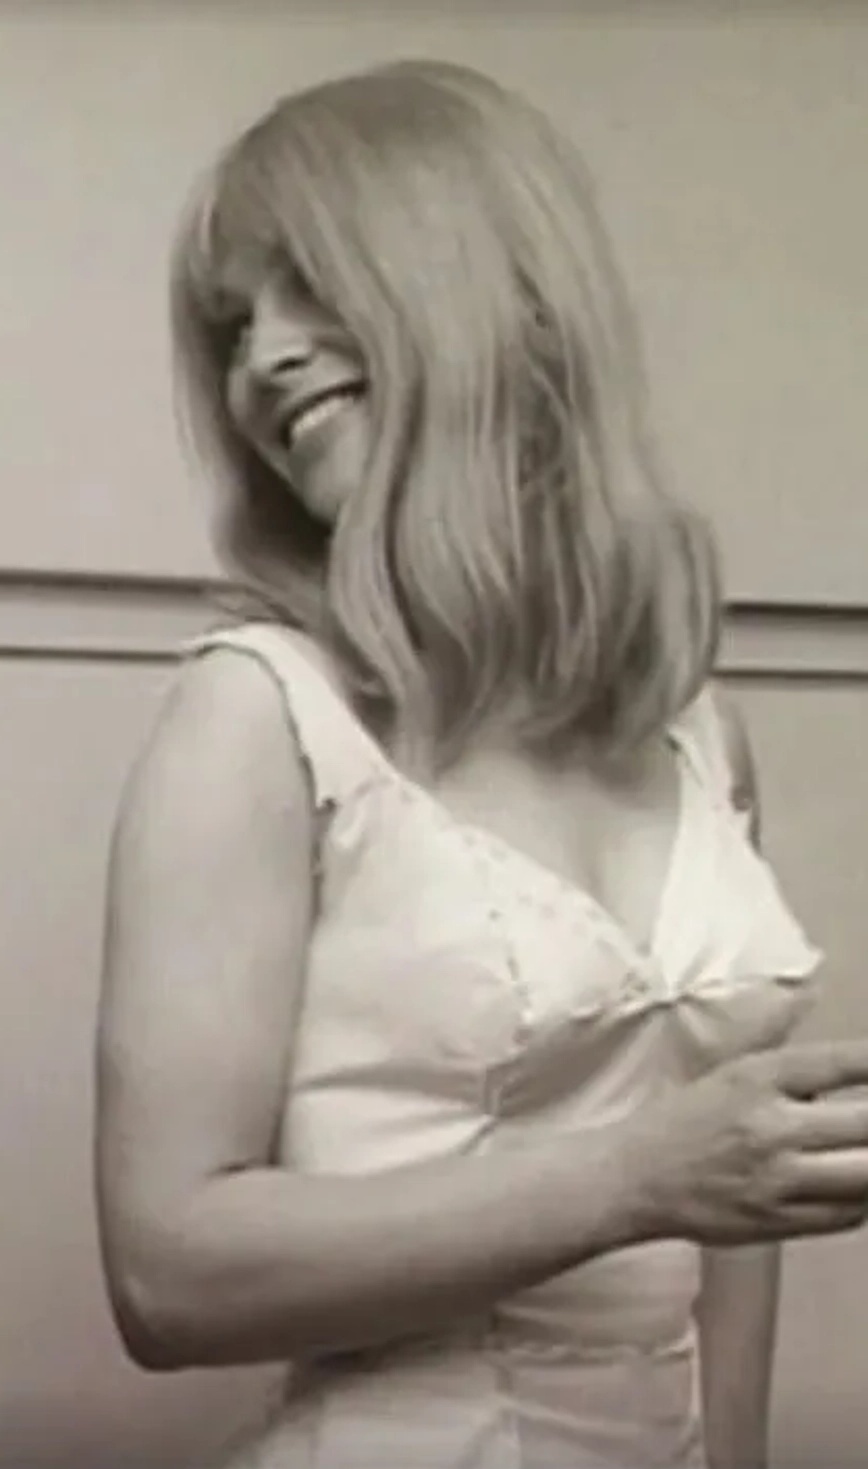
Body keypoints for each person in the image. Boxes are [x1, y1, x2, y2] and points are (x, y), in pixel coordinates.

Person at [94, 58, 867, 1469]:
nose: (259, 360)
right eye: (230, 323)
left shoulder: (697, 729)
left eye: (306, 284)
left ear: (494, 291)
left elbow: (732, 1201)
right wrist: (638, 1171)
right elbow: (168, 1271)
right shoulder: (258, 718)